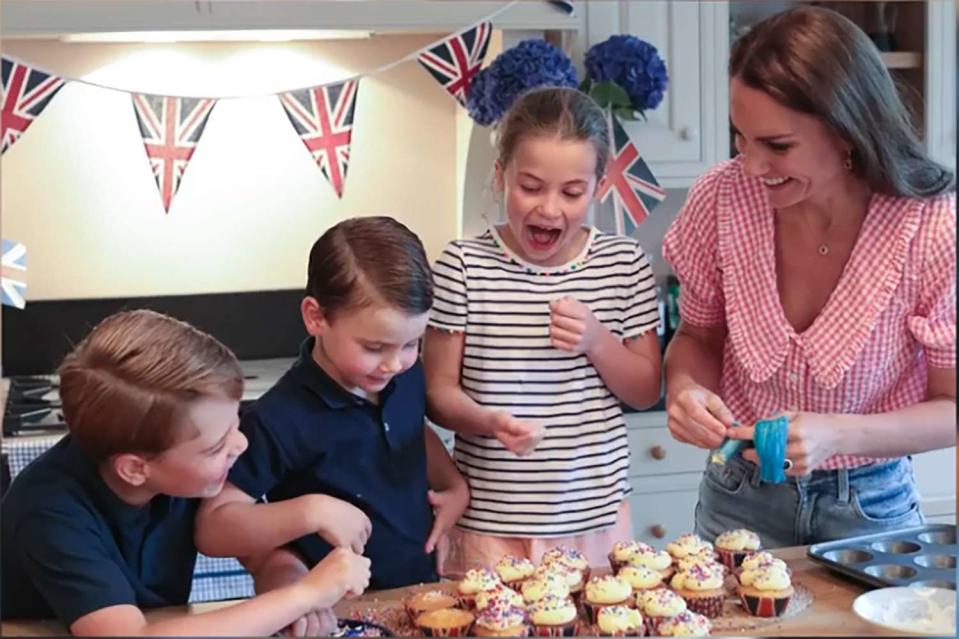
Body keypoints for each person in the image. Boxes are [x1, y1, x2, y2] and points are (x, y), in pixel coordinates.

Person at [662, 6, 955, 547]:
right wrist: (685, 389)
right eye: (740, 138)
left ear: (849, 132)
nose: (750, 165)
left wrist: (842, 434)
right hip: (736, 491)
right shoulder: (719, 199)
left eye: (777, 145)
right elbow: (698, 335)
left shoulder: (930, 226)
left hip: (871, 505)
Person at [1, 309, 371, 636]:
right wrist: (304, 594)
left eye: (235, 423)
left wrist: (293, 591)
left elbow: (262, 554)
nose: (239, 445)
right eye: (215, 446)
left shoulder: (192, 472)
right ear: (134, 469)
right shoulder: (49, 512)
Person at [423, 86, 663, 572]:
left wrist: (597, 340)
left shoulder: (624, 265)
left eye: (572, 192)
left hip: (595, 522)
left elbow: (645, 390)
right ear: (500, 177)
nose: (549, 209)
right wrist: (490, 422)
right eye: (530, 186)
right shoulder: (464, 267)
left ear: (598, 187)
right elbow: (437, 395)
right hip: (490, 524)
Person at [196, 217, 469, 602]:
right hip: (341, 610)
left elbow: (409, 431)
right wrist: (310, 511)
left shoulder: (404, 376)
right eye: (374, 348)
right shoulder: (279, 418)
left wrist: (454, 485)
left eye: (412, 344)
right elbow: (213, 526)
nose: (394, 364)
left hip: (421, 594)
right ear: (316, 317)